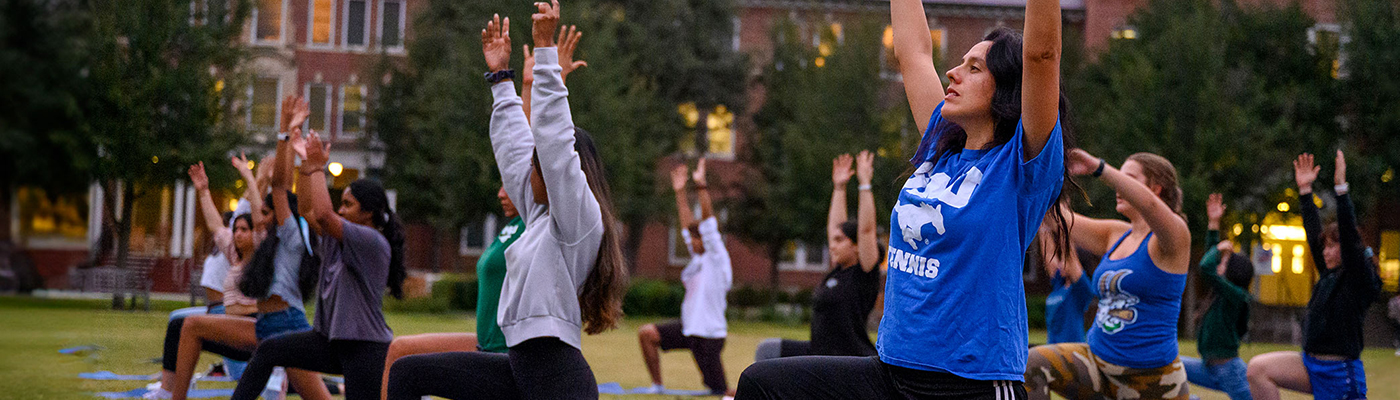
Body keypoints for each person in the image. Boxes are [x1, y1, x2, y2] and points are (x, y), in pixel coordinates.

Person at [735, 0, 1067, 395]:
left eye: (974, 68)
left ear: (1008, 90)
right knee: (761, 384)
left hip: (969, 383)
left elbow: (1042, 55)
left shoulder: (1021, 167)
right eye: (960, 62)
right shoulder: (939, 148)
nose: (953, 72)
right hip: (892, 372)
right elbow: (913, 53)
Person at [384, 4, 629, 398]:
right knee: (408, 373)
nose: (525, 176)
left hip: (556, 380)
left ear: (554, 173)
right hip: (520, 368)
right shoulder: (540, 216)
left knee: (410, 371)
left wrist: (545, 50)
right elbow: (515, 150)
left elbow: (553, 141)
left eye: (538, 168)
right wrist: (501, 78)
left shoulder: (579, 220)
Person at [227, 101, 407, 400]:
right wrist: (305, 164)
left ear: (369, 214)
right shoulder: (338, 240)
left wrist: (317, 168)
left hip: (365, 346)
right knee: (270, 350)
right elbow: (309, 210)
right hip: (330, 340)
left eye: (348, 205)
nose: (341, 209)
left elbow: (323, 215)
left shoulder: (371, 242)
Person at [1024, 151, 1192, 400]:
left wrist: (1100, 168)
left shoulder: (1174, 238)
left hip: (1152, 379)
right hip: (1098, 364)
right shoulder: (1116, 234)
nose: (1118, 185)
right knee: (1030, 364)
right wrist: (1035, 170)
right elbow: (1053, 217)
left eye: (1129, 178)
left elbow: (1150, 206)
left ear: (1156, 189)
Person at [1246, 151, 1381, 400]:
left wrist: (1341, 189)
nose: (1326, 252)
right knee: (1257, 370)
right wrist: (1305, 191)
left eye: (1332, 246)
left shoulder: (1357, 279)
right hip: (1310, 364)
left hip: (1339, 374)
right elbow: (1312, 233)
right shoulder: (1329, 274)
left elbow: (1350, 238)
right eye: (1325, 246)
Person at [375, 187, 525, 400]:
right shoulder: (511, 225)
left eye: (510, 185)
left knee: (409, 369)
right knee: (401, 350)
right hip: (485, 343)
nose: (501, 193)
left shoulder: (538, 224)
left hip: (509, 351)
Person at [752, 152, 882, 362]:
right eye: (833, 241)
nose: (832, 245)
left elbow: (867, 231)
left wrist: (864, 184)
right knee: (767, 351)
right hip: (817, 352)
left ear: (857, 247)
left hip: (847, 359)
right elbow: (835, 228)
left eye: (840, 241)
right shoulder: (837, 271)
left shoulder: (864, 272)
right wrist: (839, 188)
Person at [637, 159, 734, 396]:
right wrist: (680, 192)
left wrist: (701, 187)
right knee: (647, 333)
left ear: (707, 240)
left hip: (708, 336)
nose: (691, 242)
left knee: (720, 391)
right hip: (689, 328)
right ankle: (657, 386)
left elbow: (709, 224)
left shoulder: (716, 256)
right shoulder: (699, 256)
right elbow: (686, 224)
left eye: (696, 238)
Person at [1180, 193, 1253, 400]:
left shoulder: (1237, 296)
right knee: (1170, 365)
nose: (1219, 263)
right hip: (1207, 366)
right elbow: (1209, 263)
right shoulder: (1221, 293)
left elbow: (1205, 267)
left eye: (1224, 262)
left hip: (1229, 370)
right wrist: (1213, 223)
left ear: (1234, 273)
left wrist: (1220, 247)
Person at [1038, 203, 1091, 345]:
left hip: (1071, 355)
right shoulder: (1059, 285)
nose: (1059, 263)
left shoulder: (1080, 289)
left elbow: (1070, 258)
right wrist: (1042, 219)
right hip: (1054, 353)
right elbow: (1048, 254)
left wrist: (1063, 220)